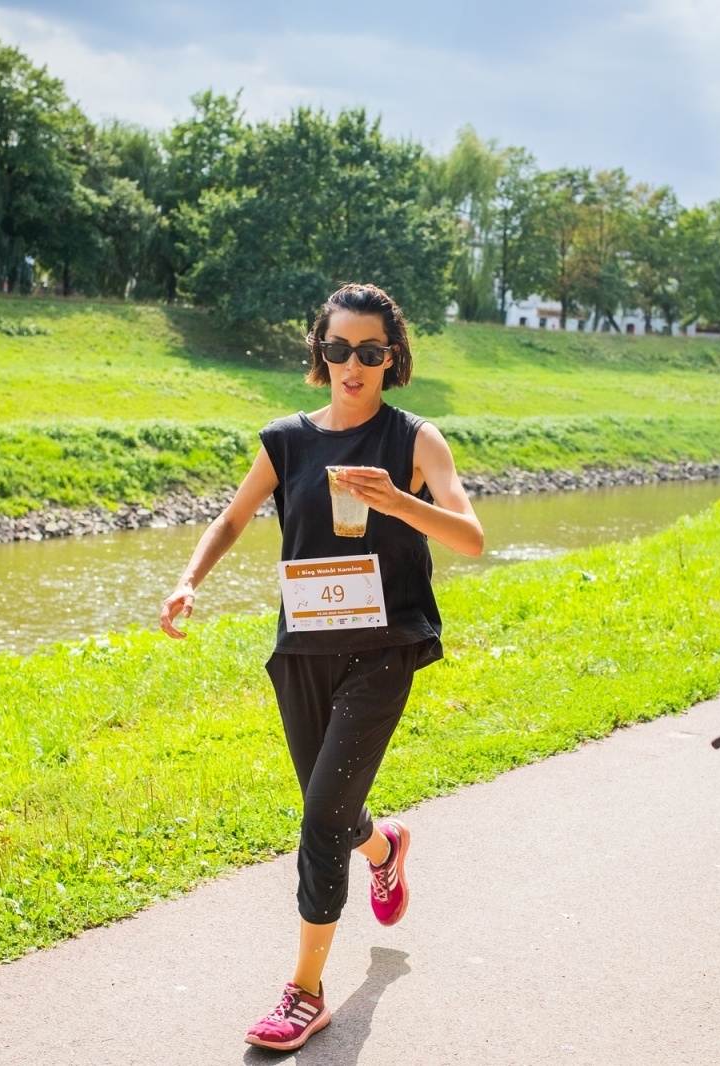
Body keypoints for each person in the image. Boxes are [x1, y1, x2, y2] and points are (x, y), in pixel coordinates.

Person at [159, 282, 483, 1052]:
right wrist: (188, 580)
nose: (353, 364)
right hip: (303, 648)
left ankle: (304, 993)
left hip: (384, 648)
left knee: (319, 818)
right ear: (320, 353)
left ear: (391, 358)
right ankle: (385, 848)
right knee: (330, 807)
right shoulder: (285, 441)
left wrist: (399, 502)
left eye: (370, 351)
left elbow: (470, 537)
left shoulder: (416, 440)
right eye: (339, 349)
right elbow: (233, 517)